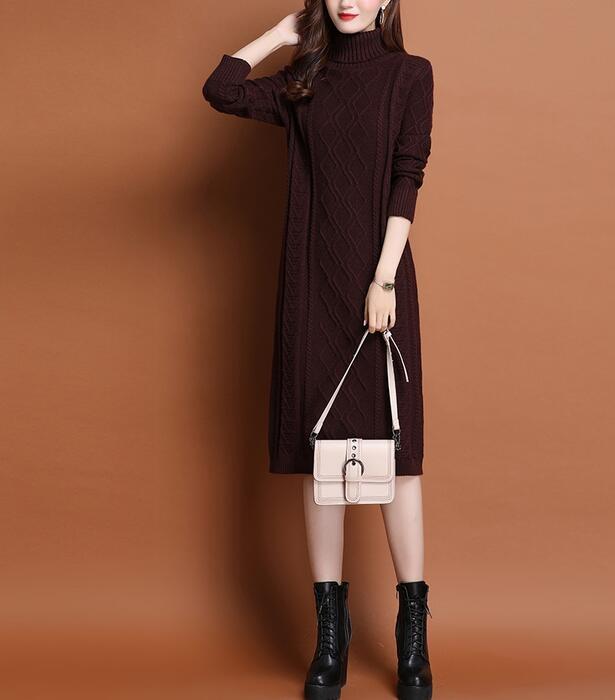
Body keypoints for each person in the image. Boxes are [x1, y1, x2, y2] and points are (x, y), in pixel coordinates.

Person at [202, 2, 434, 698]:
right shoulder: (304, 80)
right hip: (311, 288)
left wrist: (383, 278)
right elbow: (222, 90)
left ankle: (413, 636)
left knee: (398, 458)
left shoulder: (410, 75)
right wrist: (281, 35)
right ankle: (330, 638)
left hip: (378, 283)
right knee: (319, 458)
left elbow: (407, 175)